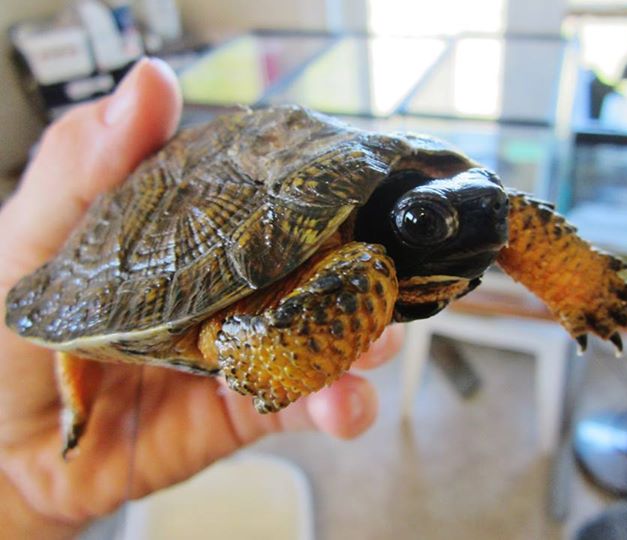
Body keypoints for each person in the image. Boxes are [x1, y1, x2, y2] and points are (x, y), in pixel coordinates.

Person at [0, 58, 403, 538]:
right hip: (149, 263)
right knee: (360, 280)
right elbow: (240, 337)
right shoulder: (353, 256)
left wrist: (31, 502)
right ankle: (77, 394)